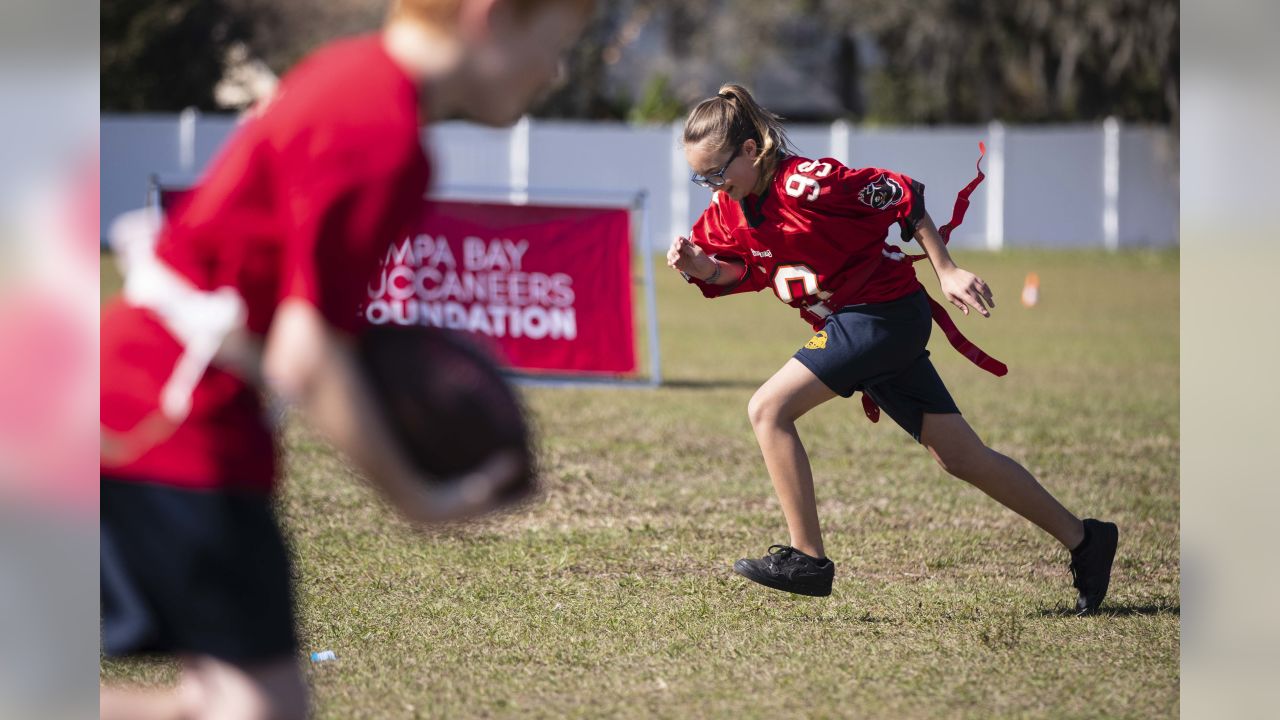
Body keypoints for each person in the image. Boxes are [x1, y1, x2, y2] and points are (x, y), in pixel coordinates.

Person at [99, 1, 593, 718]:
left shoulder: (350, 72)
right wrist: (418, 499)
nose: (555, 72)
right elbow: (309, 354)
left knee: (231, 699)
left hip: (158, 395)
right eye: (558, 44)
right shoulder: (385, 133)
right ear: (488, 17)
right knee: (255, 704)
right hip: (171, 412)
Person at [667, 84, 1118, 613]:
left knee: (768, 409)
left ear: (750, 150)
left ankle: (808, 558)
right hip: (863, 322)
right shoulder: (730, 209)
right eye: (701, 177)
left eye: (717, 172)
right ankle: (1086, 539)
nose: (712, 187)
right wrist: (701, 267)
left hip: (882, 315)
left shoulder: (810, 184)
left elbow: (901, 194)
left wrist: (946, 270)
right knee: (962, 457)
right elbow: (740, 267)